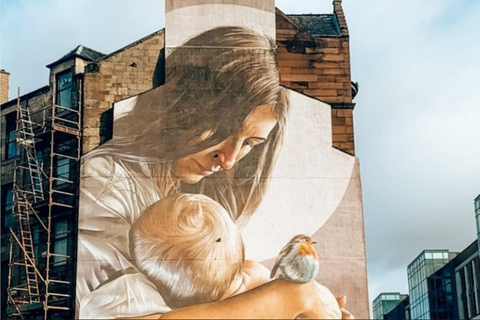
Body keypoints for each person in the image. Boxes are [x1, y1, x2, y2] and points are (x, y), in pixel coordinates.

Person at [76, 26, 353, 319]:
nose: (229, 159)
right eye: (222, 130)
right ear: (182, 106)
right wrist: (288, 298)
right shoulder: (104, 180)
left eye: (250, 143)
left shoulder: (191, 205)